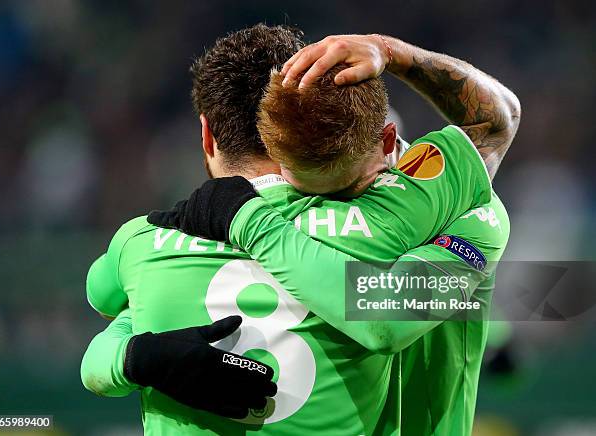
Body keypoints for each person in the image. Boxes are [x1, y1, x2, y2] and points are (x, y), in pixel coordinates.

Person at [82, 28, 518, 435]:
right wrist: (388, 51)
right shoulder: (422, 216)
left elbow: (101, 307)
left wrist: (132, 357)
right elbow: (497, 121)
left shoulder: (142, 242)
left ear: (207, 136)